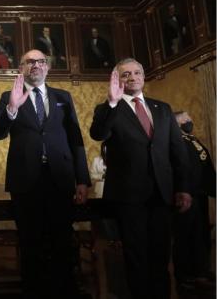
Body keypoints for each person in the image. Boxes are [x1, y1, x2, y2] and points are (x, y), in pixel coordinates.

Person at [0, 49, 91, 299]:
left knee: (61, 243)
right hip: (26, 182)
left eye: (40, 61)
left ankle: (64, 291)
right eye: (29, 62)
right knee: (30, 244)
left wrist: (83, 180)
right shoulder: (8, 96)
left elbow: (76, 140)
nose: (35, 65)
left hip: (60, 179)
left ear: (47, 67)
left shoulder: (63, 97)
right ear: (21, 68)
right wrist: (11, 109)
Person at [90, 58, 192, 299]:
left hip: (162, 194)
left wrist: (183, 188)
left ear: (143, 77)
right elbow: (99, 133)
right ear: (117, 80)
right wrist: (112, 103)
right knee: (136, 257)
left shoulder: (163, 108)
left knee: (160, 255)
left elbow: (177, 152)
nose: (132, 77)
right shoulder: (108, 108)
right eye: (126, 74)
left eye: (137, 73)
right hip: (128, 197)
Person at [172, 111, 216, 291]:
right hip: (186, 195)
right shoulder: (176, 141)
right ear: (178, 122)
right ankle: (184, 275)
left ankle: (201, 271)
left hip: (200, 193)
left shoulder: (192, 139)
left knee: (200, 234)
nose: (190, 120)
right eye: (186, 119)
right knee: (185, 236)